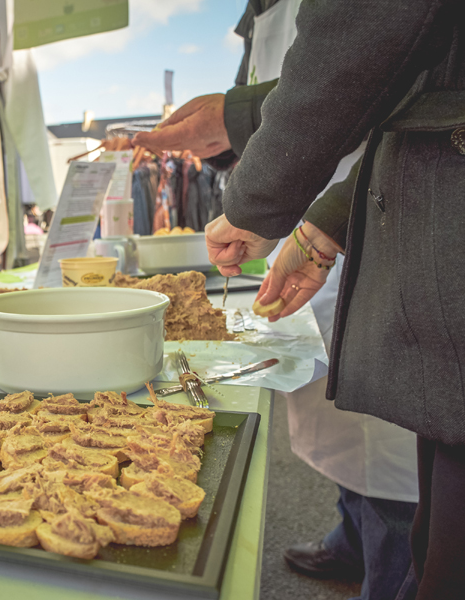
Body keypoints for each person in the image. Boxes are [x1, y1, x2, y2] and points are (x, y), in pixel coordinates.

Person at [132, 1, 420, 598]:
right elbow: (270, 113)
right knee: (335, 414)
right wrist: (221, 138)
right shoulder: (255, 14)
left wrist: (247, 165)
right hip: (316, 218)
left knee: (394, 436)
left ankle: (392, 570)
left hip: (395, 216)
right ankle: (352, 534)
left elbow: (361, 59)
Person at [196, 1, 465, 598]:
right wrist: (324, 226)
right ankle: (361, 544)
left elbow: (362, 39)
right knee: (437, 519)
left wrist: (256, 200)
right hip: (376, 204)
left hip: (433, 222)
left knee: (437, 543)